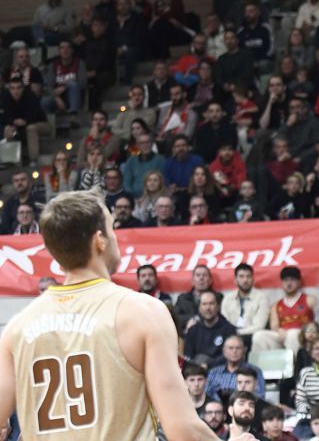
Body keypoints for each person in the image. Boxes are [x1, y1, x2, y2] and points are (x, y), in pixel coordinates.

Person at [0, 189, 256, 441]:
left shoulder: (17, 328)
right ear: (99, 239)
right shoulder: (141, 312)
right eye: (112, 229)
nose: (115, 237)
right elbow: (182, 429)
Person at [254, 266, 317, 353]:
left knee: (292, 334)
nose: (289, 283)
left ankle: (295, 365)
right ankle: (260, 366)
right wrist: (279, 330)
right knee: (259, 336)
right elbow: (274, 326)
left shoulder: (310, 299)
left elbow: (318, 322)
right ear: (282, 283)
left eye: (292, 280)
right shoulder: (276, 305)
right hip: (283, 337)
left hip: (304, 337)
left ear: (299, 282)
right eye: (286, 280)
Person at [185, 291, 239, 367]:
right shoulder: (193, 330)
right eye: (204, 304)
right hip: (196, 370)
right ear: (199, 308)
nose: (208, 308)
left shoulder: (229, 329)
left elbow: (229, 355)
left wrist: (208, 365)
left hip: (219, 369)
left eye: (211, 304)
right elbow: (188, 356)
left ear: (218, 307)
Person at [207, 336, 267, 401]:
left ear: (244, 350)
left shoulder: (255, 371)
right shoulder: (213, 373)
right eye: (231, 348)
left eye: (238, 348)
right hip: (217, 409)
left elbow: (260, 395)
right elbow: (206, 395)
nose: (234, 351)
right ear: (224, 351)